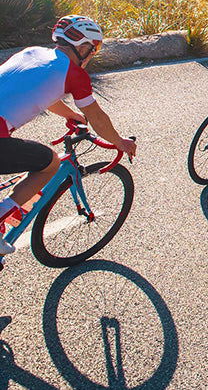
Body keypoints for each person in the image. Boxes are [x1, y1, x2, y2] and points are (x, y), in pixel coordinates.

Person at [0, 15, 138, 255]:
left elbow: (42, 93)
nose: (92, 55)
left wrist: (70, 114)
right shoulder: (74, 74)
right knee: (50, 163)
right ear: (83, 47)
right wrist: (119, 142)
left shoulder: (32, 53)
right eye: (93, 49)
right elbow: (97, 117)